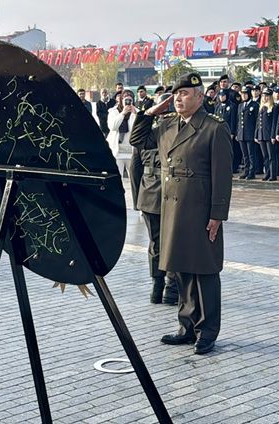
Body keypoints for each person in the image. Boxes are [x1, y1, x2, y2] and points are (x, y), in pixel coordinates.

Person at [130, 73, 233, 355]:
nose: (178, 98)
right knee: (180, 269)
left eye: (185, 93)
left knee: (204, 271)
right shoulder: (166, 126)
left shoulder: (213, 128)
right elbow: (137, 138)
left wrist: (217, 215)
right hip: (172, 209)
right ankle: (186, 325)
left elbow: (222, 176)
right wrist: (150, 111)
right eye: (175, 94)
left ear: (200, 98)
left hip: (200, 209)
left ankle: (207, 330)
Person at [131, 96, 179, 305]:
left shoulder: (150, 134)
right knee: (170, 242)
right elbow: (135, 169)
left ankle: (160, 286)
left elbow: (135, 171)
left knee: (157, 243)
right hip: (163, 195)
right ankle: (167, 285)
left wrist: (137, 201)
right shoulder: (166, 134)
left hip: (150, 195)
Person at [107, 89, 137, 178]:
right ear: (121, 100)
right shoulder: (113, 111)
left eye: (130, 99)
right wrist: (122, 114)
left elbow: (137, 129)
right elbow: (113, 127)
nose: (128, 101)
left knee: (133, 179)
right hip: (117, 151)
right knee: (116, 179)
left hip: (131, 151)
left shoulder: (136, 112)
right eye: (125, 98)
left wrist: (135, 114)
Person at [255, 86, 279, 181]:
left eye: (267, 96)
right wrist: (256, 134)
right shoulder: (262, 107)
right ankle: (267, 173)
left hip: (269, 135)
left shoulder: (274, 107)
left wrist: (273, 135)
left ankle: (273, 174)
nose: (265, 97)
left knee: (271, 156)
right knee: (265, 156)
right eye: (264, 95)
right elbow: (258, 122)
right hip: (261, 135)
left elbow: (274, 122)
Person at [236, 85, 258, 180]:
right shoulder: (240, 105)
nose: (244, 96)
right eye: (242, 94)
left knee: (251, 154)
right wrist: (237, 132)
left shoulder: (254, 105)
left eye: (245, 94)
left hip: (250, 133)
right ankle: (246, 170)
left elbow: (257, 121)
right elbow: (238, 120)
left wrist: (255, 134)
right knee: (245, 154)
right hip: (242, 133)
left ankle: (252, 172)